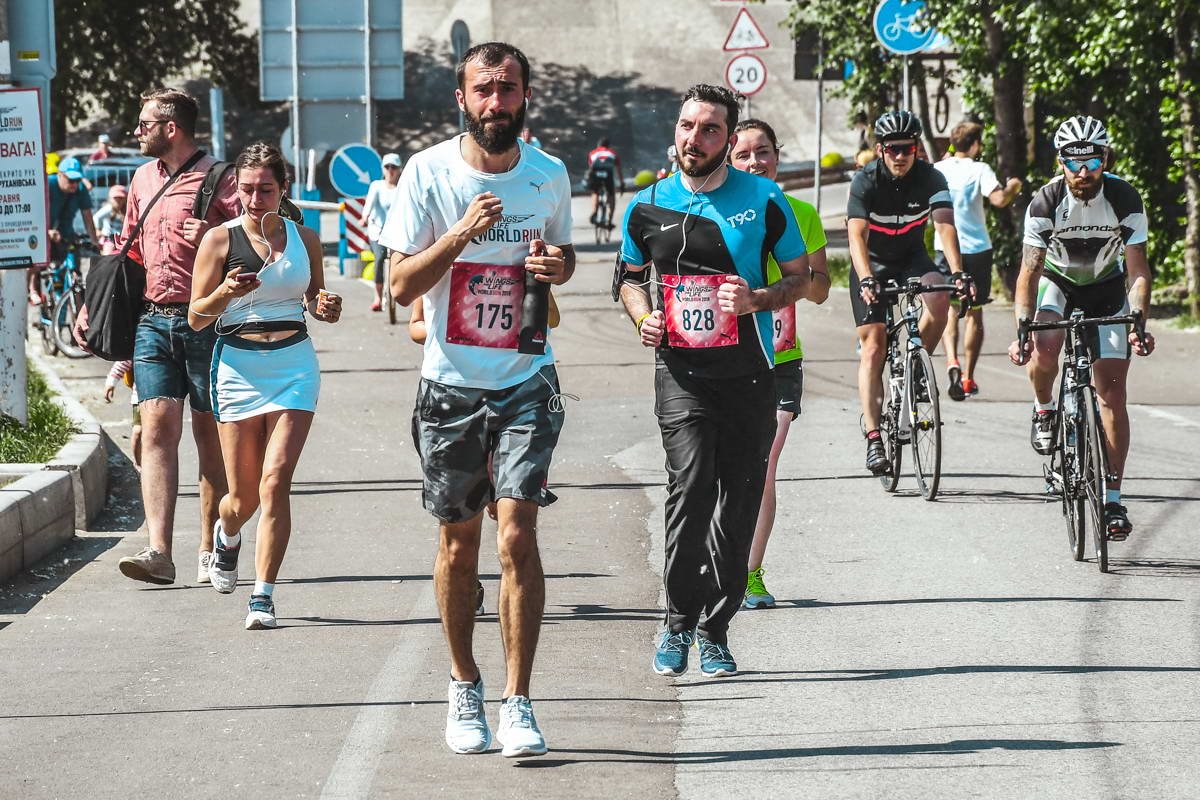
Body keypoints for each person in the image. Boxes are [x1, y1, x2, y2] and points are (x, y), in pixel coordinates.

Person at [381, 41, 574, 758]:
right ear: (461, 98)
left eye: (510, 89)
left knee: (518, 532)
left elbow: (563, 257)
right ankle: (464, 684)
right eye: (485, 90)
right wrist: (463, 234)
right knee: (459, 543)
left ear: (526, 96)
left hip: (526, 377)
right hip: (451, 386)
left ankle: (518, 700)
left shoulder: (549, 174)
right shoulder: (429, 174)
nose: (498, 102)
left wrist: (559, 263)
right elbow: (401, 287)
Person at [617, 84, 811, 678]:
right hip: (681, 374)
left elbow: (802, 279)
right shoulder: (646, 204)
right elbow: (627, 278)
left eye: (708, 130)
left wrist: (758, 297)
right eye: (685, 126)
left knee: (739, 500)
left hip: (751, 373)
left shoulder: (763, 198)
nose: (693, 139)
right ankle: (678, 620)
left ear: (728, 139)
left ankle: (716, 627)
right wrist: (643, 316)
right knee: (691, 488)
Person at [75, 87, 240, 586]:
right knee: (157, 430)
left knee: (210, 440)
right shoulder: (142, 177)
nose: (137, 131)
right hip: (152, 321)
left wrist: (215, 237)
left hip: (208, 323)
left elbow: (258, 240)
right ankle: (159, 552)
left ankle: (213, 547)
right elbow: (132, 251)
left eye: (144, 123)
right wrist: (92, 304)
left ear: (172, 128)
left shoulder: (222, 178)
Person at [188, 142, 341, 629]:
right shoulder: (218, 240)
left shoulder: (305, 238)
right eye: (246, 188)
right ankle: (226, 533)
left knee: (276, 482)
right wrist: (224, 292)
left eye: (265, 189)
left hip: (294, 364)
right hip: (238, 367)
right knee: (244, 498)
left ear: (283, 189)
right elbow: (194, 317)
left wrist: (325, 305)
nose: (254, 198)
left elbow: (316, 298)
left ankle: (263, 595)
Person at [1008, 115, 1155, 539]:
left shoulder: (1124, 197)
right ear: (1061, 162)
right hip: (1058, 284)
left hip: (1108, 288)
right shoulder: (1045, 202)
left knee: (1112, 391)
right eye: (1074, 162)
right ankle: (1044, 408)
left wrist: (1137, 319)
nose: (1083, 171)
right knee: (1046, 344)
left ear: (1105, 158)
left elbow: (1139, 271)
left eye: (1091, 160)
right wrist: (1023, 325)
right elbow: (1028, 274)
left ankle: (1112, 501)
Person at [728, 119, 830, 610]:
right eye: (744, 155)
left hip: (781, 357)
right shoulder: (718, 211)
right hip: (723, 352)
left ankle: (750, 574)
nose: (755, 163)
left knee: (764, 467)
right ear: (729, 159)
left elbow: (823, 286)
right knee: (719, 467)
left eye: (763, 152)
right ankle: (714, 562)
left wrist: (794, 283)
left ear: (777, 156)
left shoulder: (803, 213)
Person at [847, 110, 972, 476]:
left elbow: (945, 227)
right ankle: (873, 437)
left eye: (908, 148)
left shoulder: (932, 177)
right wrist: (867, 277)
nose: (900, 156)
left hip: (912, 258)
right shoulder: (865, 180)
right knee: (873, 348)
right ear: (880, 149)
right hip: (872, 263)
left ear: (917, 148)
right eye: (893, 149)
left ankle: (918, 366)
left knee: (939, 299)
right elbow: (856, 235)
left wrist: (959, 272)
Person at [935, 122, 1022, 400]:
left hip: (945, 248)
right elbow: (998, 199)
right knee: (974, 311)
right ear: (975, 145)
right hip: (977, 248)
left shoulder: (939, 169)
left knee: (950, 307)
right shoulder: (979, 169)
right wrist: (1013, 187)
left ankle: (951, 359)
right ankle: (968, 377)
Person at [34, 156, 100, 303]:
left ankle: (76, 312)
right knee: (37, 262)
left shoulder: (80, 189)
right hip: (45, 232)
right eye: (70, 180)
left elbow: (88, 218)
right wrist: (46, 232)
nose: (74, 185)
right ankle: (34, 290)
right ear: (59, 175)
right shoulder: (48, 184)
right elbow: (34, 212)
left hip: (66, 234)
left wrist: (94, 241)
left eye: (77, 180)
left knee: (75, 273)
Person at [360, 152, 403, 311]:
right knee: (379, 259)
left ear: (399, 169)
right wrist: (364, 217)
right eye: (387, 167)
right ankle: (377, 297)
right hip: (377, 232)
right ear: (383, 169)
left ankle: (399, 290)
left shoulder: (403, 188)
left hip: (397, 234)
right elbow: (369, 204)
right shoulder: (377, 186)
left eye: (394, 167)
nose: (390, 170)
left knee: (403, 260)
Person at [104, 359, 142, 470]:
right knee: (138, 431)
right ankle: (139, 465)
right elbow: (124, 361)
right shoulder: (139, 344)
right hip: (139, 398)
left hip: (164, 399)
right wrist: (111, 382)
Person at [585, 137, 624, 226]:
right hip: (607, 175)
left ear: (598, 145)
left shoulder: (592, 152)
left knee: (595, 192)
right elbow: (619, 170)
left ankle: (594, 212)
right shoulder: (613, 153)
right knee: (611, 194)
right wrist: (622, 184)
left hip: (596, 174)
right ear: (608, 146)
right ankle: (609, 220)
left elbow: (591, 168)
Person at [94, 184, 128, 255]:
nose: (118, 201)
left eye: (121, 198)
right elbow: (96, 217)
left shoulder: (126, 210)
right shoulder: (109, 208)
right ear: (111, 199)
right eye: (116, 198)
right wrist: (98, 229)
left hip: (122, 239)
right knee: (108, 256)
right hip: (109, 238)